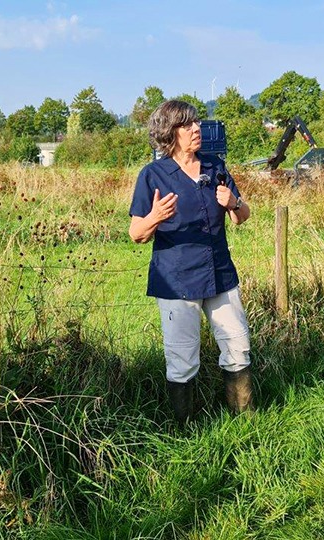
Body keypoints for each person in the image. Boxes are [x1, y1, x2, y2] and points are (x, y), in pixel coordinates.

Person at [129, 100, 253, 424]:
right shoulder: (153, 175)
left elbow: (242, 216)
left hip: (220, 272)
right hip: (176, 280)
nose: (196, 128)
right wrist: (155, 217)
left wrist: (234, 202)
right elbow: (136, 234)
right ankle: (186, 428)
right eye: (187, 125)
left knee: (237, 346)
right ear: (169, 133)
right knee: (182, 360)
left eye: (196, 122)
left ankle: (244, 419)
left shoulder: (215, 167)